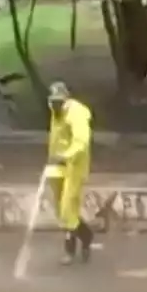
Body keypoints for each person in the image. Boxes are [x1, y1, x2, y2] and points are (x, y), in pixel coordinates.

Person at [45, 81, 95, 263]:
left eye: (59, 102)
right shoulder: (55, 111)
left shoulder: (77, 113)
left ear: (66, 99)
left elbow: (81, 142)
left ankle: (71, 249)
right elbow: (57, 138)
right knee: (61, 210)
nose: (56, 105)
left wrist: (65, 155)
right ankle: (86, 235)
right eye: (53, 102)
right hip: (57, 164)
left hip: (74, 166)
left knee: (68, 208)